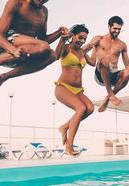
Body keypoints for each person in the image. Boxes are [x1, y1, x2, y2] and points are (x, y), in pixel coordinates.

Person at [0, 0, 68, 93]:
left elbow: (42, 41)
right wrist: (13, 50)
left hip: (20, 55)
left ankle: (3, 77)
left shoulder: (44, 12)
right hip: (0, 44)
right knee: (43, 46)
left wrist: (59, 33)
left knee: (52, 55)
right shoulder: (17, 3)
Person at [83, 16, 129, 112]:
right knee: (105, 60)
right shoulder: (99, 39)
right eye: (115, 28)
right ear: (109, 26)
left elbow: (128, 65)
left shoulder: (122, 45)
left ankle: (108, 97)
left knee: (128, 72)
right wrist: (90, 45)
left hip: (113, 76)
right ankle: (111, 94)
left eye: (119, 29)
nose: (117, 31)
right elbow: (91, 61)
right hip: (100, 74)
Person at [54, 24, 96, 156]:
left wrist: (94, 47)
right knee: (81, 109)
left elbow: (93, 63)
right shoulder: (66, 49)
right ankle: (69, 147)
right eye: (80, 37)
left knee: (90, 108)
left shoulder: (82, 52)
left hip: (78, 90)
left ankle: (65, 127)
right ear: (72, 36)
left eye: (84, 39)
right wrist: (62, 39)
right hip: (63, 87)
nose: (82, 41)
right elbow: (56, 55)